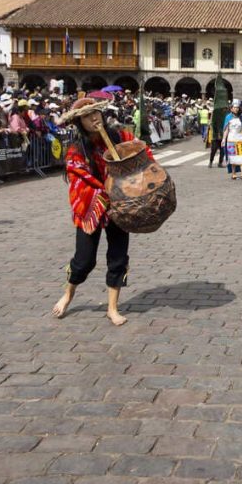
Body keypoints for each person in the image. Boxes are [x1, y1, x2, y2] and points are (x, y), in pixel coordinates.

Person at [51, 97, 150, 326]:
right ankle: (68, 293)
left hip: (120, 208)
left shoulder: (120, 137)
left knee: (118, 257)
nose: (94, 118)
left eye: (96, 113)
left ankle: (112, 308)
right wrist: (107, 193)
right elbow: (80, 182)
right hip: (92, 209)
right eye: (87, 116)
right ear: (79, 122)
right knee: (84, 261)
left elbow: (143, 155)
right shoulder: (77, 151)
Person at [223, 100, 242, 181]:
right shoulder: (228, 117)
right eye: (234, 107)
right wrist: (224, 139)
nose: (236, 109)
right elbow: (226, 130)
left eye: (237, 107)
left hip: (240, 139)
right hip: (231, 140)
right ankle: (233, 173)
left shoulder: (241, 117)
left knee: (241, 157)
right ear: (231, 108)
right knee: (233, 158)